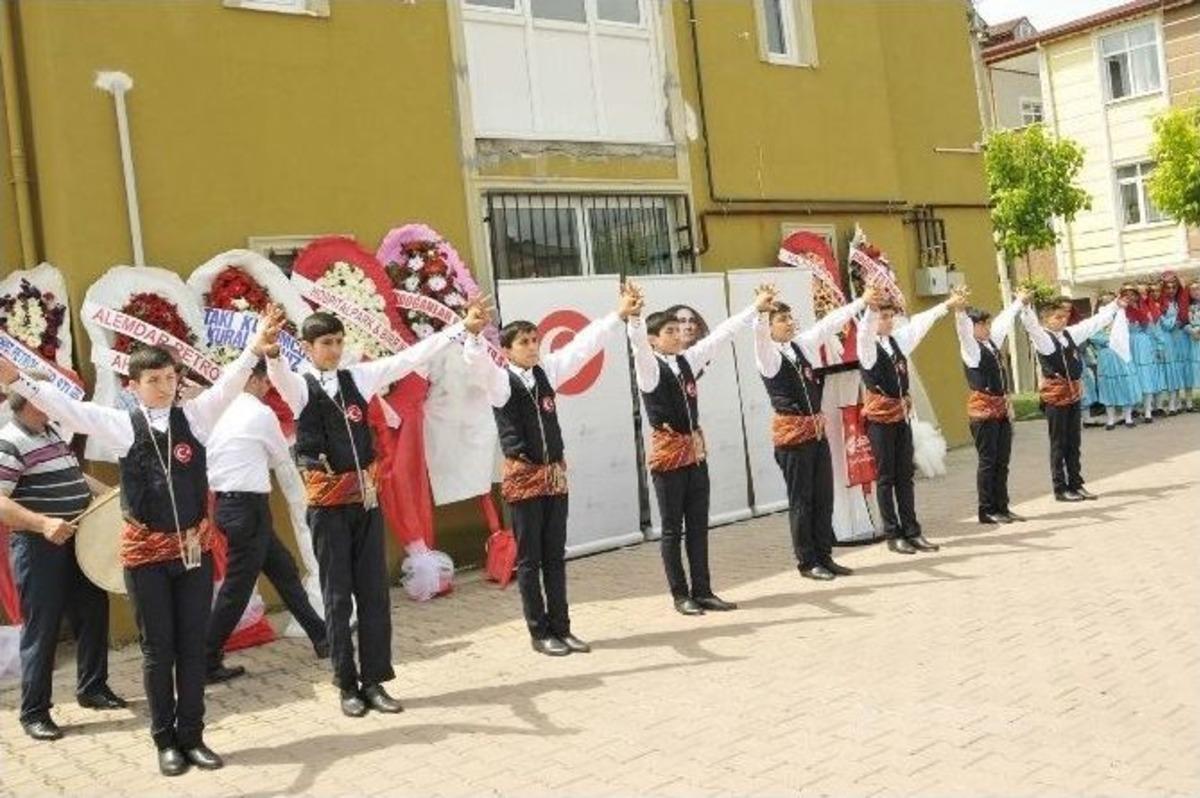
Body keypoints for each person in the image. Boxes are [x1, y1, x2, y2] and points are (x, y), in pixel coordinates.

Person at [0, 308, 282, 776]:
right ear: (133, 386)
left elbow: (230, 383)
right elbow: (69, 408)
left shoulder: (196, 416)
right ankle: (165, 741)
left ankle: (193, 736)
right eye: (153, 380)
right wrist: (16, 379)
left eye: (170, 377)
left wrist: (255, 345)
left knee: (191, 645)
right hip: (146, 557)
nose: (165, 386)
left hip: (190, 551)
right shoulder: (121, 424)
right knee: (158, 649)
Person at [266, 302, 488, 717]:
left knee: (373, 594)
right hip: (328, 509)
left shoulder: (359, 378)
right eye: (326, 343)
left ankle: (374, 681)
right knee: (337, 597)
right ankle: (346, 684)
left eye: (338, 341)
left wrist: (461, 327)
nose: (334, 350)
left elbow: (410, 358)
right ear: (307, 347)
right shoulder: (299, 387)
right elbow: (277, 372)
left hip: (365, 504)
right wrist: (272, 350)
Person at [467, 286, 641, 655]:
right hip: (524, 478)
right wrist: (473, 333)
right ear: (507, 350)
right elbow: (477, 364)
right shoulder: (500, 382)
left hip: (554, 476)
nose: (533, 347)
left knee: (554, 555)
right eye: (524, 342)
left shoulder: (547, 372)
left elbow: (583, 346)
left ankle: (562, 627)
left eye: (535, 340)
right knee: (530, 560)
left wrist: (618, 314)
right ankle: (540, 632)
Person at [628, 284, 775, 615]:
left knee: (697, 525)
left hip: (695, 455)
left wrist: (755, 307)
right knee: (672, 529)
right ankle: (681, 595)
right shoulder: (648, 368)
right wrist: (634, 318)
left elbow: (722, 334)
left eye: (678, 329)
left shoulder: (687, 361)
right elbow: (637, 345)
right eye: (669, 331)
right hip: (669, 458)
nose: (677, 335)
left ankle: (704, 590)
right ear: (653, 340)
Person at [0, 379, 126, 742]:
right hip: (39, 547)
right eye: (45, 398)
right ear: (30, 403)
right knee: (42, 628)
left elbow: (73, 474)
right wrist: (43, 523)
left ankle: (93, 688)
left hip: (77, 540)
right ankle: (34, 712)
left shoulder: (51, 431)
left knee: (93, 610)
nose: (54, 403)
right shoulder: (9, 441)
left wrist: (111, 495)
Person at [204, 359, 328, 684]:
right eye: (264, 381)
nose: (267, 388)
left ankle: (321, 636)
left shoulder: (218, 411)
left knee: (283, 569)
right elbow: (280, 456)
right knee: (237, 589)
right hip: (248, 507)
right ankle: (205, 657)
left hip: (229, 505)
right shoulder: (259, 413)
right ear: (254, 380)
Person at [753, 286, 877, 579]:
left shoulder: (801, 346)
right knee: (802, 500)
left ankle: (825, 555)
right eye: (781, 319)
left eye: (789, 318)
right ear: (770, 327)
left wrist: (862, 301)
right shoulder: (768, 356)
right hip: (793, 437)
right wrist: (760, 313)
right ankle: (808, 562)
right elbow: (758, 336)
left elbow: (829, 324)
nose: (789, 323)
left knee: (823, 496)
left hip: (817, 433)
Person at [856, 288, 967, 554]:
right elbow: (863, 332)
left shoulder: (896, 341)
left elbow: (921, 323)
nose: (888, 321)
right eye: (883, 317)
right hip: (880, 419)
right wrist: (870, 308)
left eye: (889, 316)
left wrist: (948, 304)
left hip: (901, 416)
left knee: (905, 475)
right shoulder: (867, 348)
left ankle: (912, 530)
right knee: (886, 477)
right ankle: (893, 533)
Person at [1019, 293, 1128, 502]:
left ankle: (1076, 484)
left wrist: (1115, 305)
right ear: (1046, 320)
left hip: (1073, 394)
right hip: (1056, 397)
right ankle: (1060, 488)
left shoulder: (1069, 334)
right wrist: (1025, 307)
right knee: (1059, 443)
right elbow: (1031, 326)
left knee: (1074, 442)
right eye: (1057, 317)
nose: (1063, 320)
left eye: (1064, 317)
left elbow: (1092, 324)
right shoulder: (1043, 339)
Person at [953, 290, 1027, 526]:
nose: (986, 328)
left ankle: (1002, 506)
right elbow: (963, 331)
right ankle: (986, 510)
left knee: (1002, 461)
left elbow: (1004, 320)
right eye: (981, 324)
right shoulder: (971, 349)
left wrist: (1018, 302)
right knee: (988, 461)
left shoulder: (992, 343)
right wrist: (960, 312)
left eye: (987, 323)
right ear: (972, 327)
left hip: (1001, 409)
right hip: (983, 412)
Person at [1092, 288, 1142, 430]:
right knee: (1108, 386)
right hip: (1107, 354)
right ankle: (1110, 419)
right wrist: (1109, 340)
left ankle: (1128, 417)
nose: (1107, 303)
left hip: (1122, 354)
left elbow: (1127, 333)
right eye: (1104, 301)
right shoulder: (1097, 319)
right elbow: (1093, 335)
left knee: (1126, 383)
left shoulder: (1121, 315)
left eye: (1110, 300)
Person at [1129, 281, 1162, 423]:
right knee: (1132, 377)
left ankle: (1148, 411)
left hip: (1143, 346)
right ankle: (1134, 409)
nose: (1135, 297)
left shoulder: (1146, 310)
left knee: (1146, 377)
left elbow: (1153, 329)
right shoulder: (1121, 311)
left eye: (1142, 293)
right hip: (1127, 345)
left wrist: (1158, 346)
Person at [1158, 271, 1190, 415]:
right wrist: (1174, 321)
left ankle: (1180, 400)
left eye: (1174, 287)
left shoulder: (1180, 301)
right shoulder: (1160, 303)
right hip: (1168, 339)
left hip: (1181, 338)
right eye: (1168, 287)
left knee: (1180, 369)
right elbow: (1163, 323)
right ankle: (1171, 402)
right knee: (1171, 370)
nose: (1171, 290)